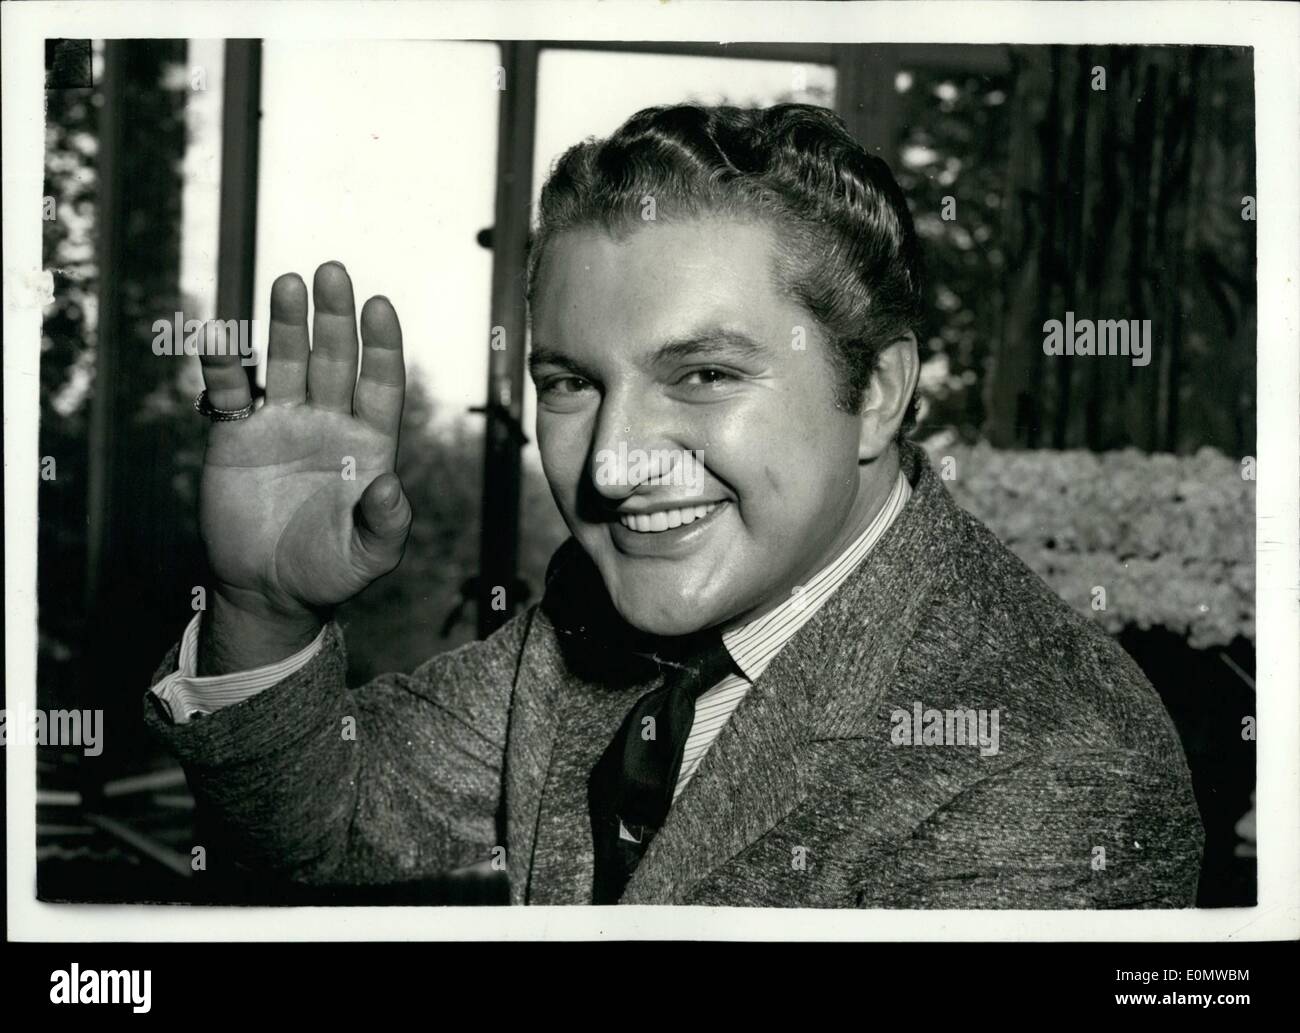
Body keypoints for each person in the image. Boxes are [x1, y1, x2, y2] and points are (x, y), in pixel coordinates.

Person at [146, 103, 1204, 907]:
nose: (611, 465)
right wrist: (264, 606)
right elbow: (327, 822)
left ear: (875, 391)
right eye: (570, 382)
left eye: (701, 374)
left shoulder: (1053, 769)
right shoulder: (595, 612)